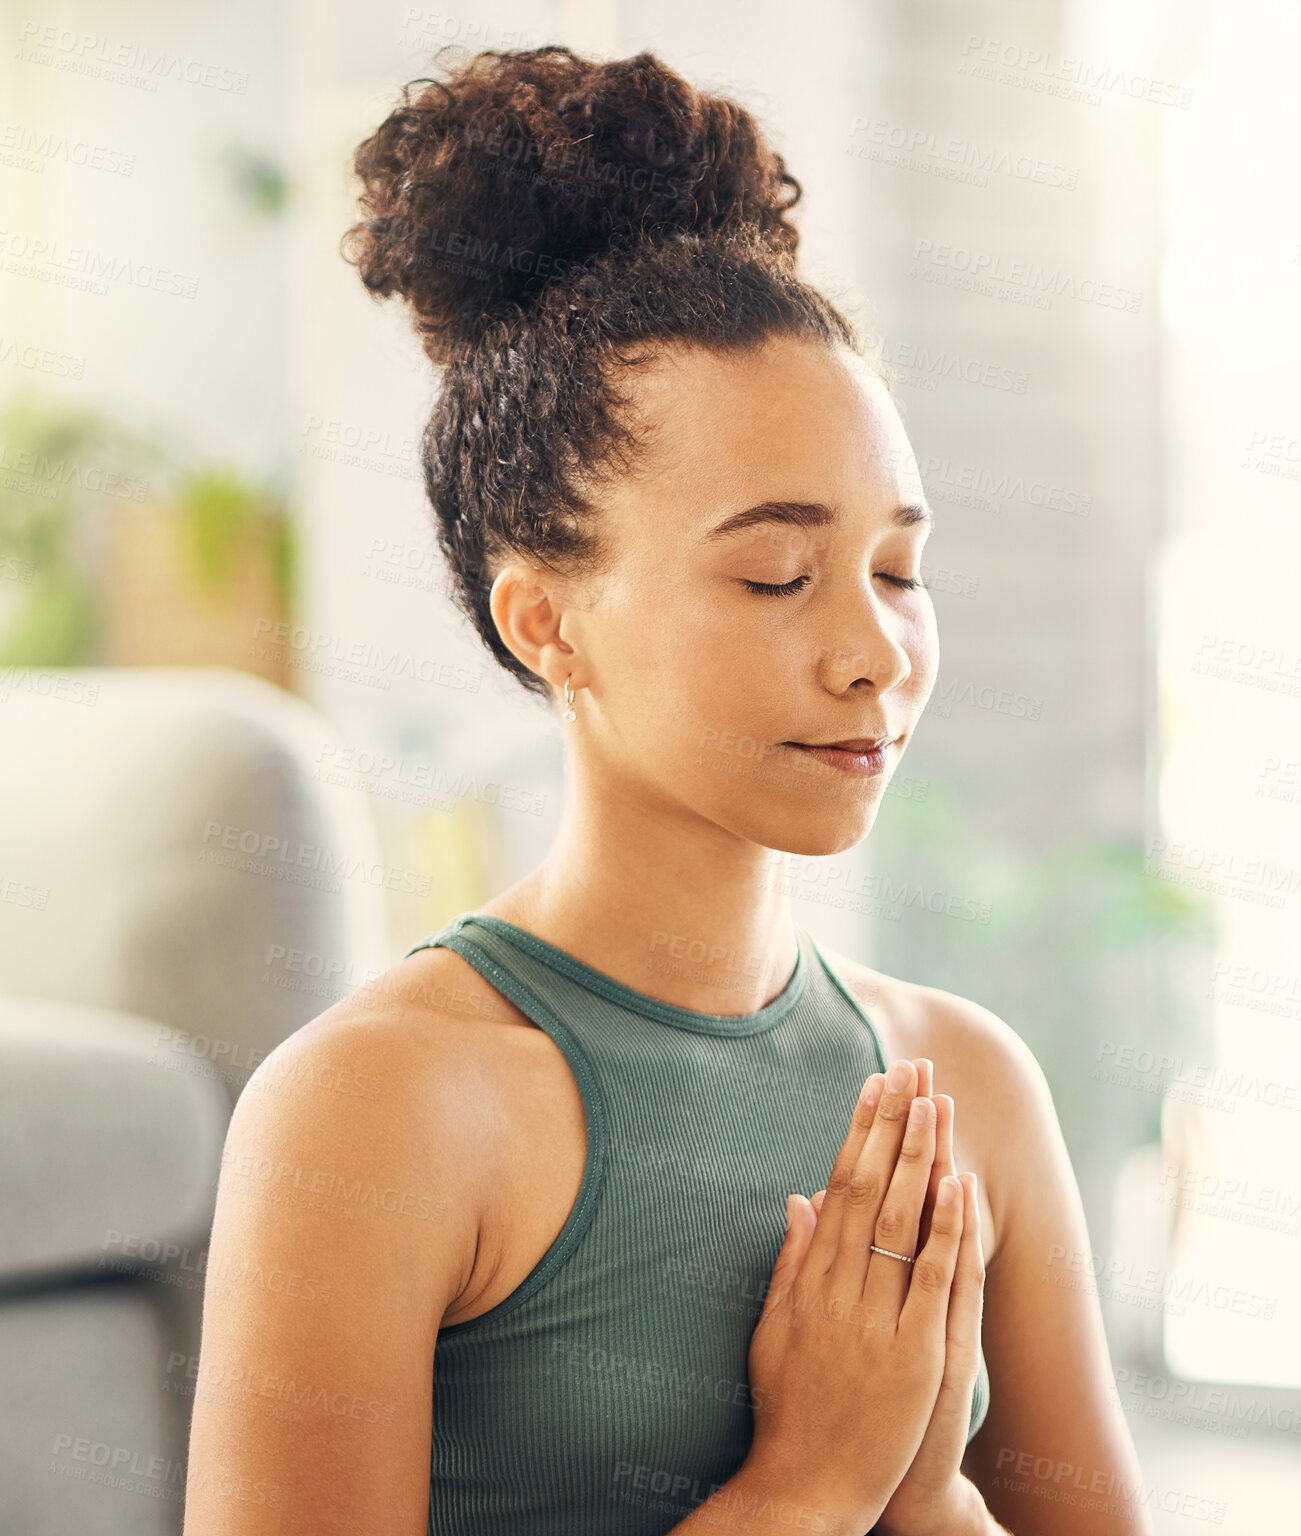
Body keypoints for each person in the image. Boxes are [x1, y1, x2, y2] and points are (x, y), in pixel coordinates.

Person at [182, 44, 1153, 1536]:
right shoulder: (374, 1110)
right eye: (773, 573)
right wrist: (805, 1487)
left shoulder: (967, 1091)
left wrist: (924, 1500)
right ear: (545, 622)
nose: (870, 654)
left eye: (897, 569)